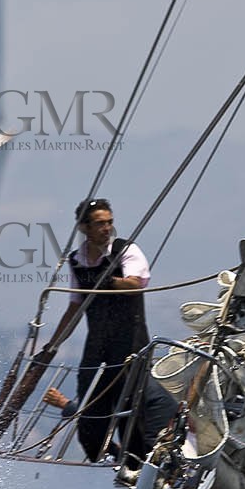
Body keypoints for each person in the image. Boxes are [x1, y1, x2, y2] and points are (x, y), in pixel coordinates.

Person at [43, 198, 175, 463]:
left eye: (110, 222)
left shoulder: (125, 250)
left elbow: (135, 284)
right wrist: (52, 345)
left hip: (130, 344)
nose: (107, 228)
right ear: (84, 227)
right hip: (97, 343)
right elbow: (74, 309)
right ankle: (101, 458)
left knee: (129, 408)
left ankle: (135, 467)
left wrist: (109, 281)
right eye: (100, 223)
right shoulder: (77, 261)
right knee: (89, 412)